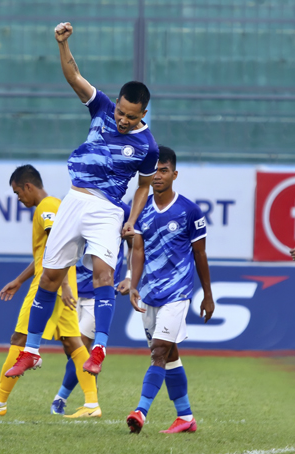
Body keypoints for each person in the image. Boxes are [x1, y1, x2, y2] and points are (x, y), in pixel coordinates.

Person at [7, 22, 159, 379]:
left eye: (130, 116)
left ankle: (101, 349)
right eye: (121, 112)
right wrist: (62, 44)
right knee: (49, 278)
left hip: (106, 208)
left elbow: (142, 186)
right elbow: (74, 76)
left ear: (143, 115)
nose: (122, 119)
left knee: (104, 274)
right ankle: (30, 351)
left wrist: (132, 219)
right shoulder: (102, 106)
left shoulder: (147, 146)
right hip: (74, 199)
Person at [0, 165, 101, 419]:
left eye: (18, 193)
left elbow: (57, 245)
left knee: (20, 339)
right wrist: (18, 280)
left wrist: (60, 285)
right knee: (73, 343)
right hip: (61, 282)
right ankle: (92, 403)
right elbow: (46, 254)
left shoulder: (47, 206)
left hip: (49, 286)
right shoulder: (53, 205)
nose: (19, 199)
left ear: (28, 186)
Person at [125, 146, 215, 434]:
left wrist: (208, 296)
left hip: (177, 293)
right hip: (150, 293)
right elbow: (137, 249)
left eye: (164, 170)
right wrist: (133, 284)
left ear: (175, 174)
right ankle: (186, 417)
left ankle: (140, 411)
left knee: (158, 353)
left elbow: (200, 254)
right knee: (170, 354)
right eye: (155, 171)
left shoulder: (189, 210)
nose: (159, 176)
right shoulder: (140, 208)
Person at [50, 201, 132, 415]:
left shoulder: (121, 210)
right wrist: (65, 284)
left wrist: (130, 276)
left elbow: (135, 243)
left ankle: (60, 399)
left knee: (82, 346)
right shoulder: (76, 204)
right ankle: (90, 392)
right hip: (71, 292)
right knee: (72, 350)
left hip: (100, 293)